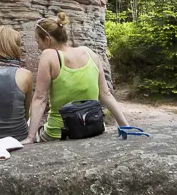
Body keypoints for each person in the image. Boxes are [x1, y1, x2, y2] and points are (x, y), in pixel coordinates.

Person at [23, 12, 128, 143]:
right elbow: (106, 94)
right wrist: (125, 126)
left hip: (61, 132)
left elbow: (40, 98)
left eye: (38, 41)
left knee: (34, 129)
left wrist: (30, 137)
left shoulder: (49, 55)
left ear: (47, 39)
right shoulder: (89, 53)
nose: (38, 46)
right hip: (93, 129)